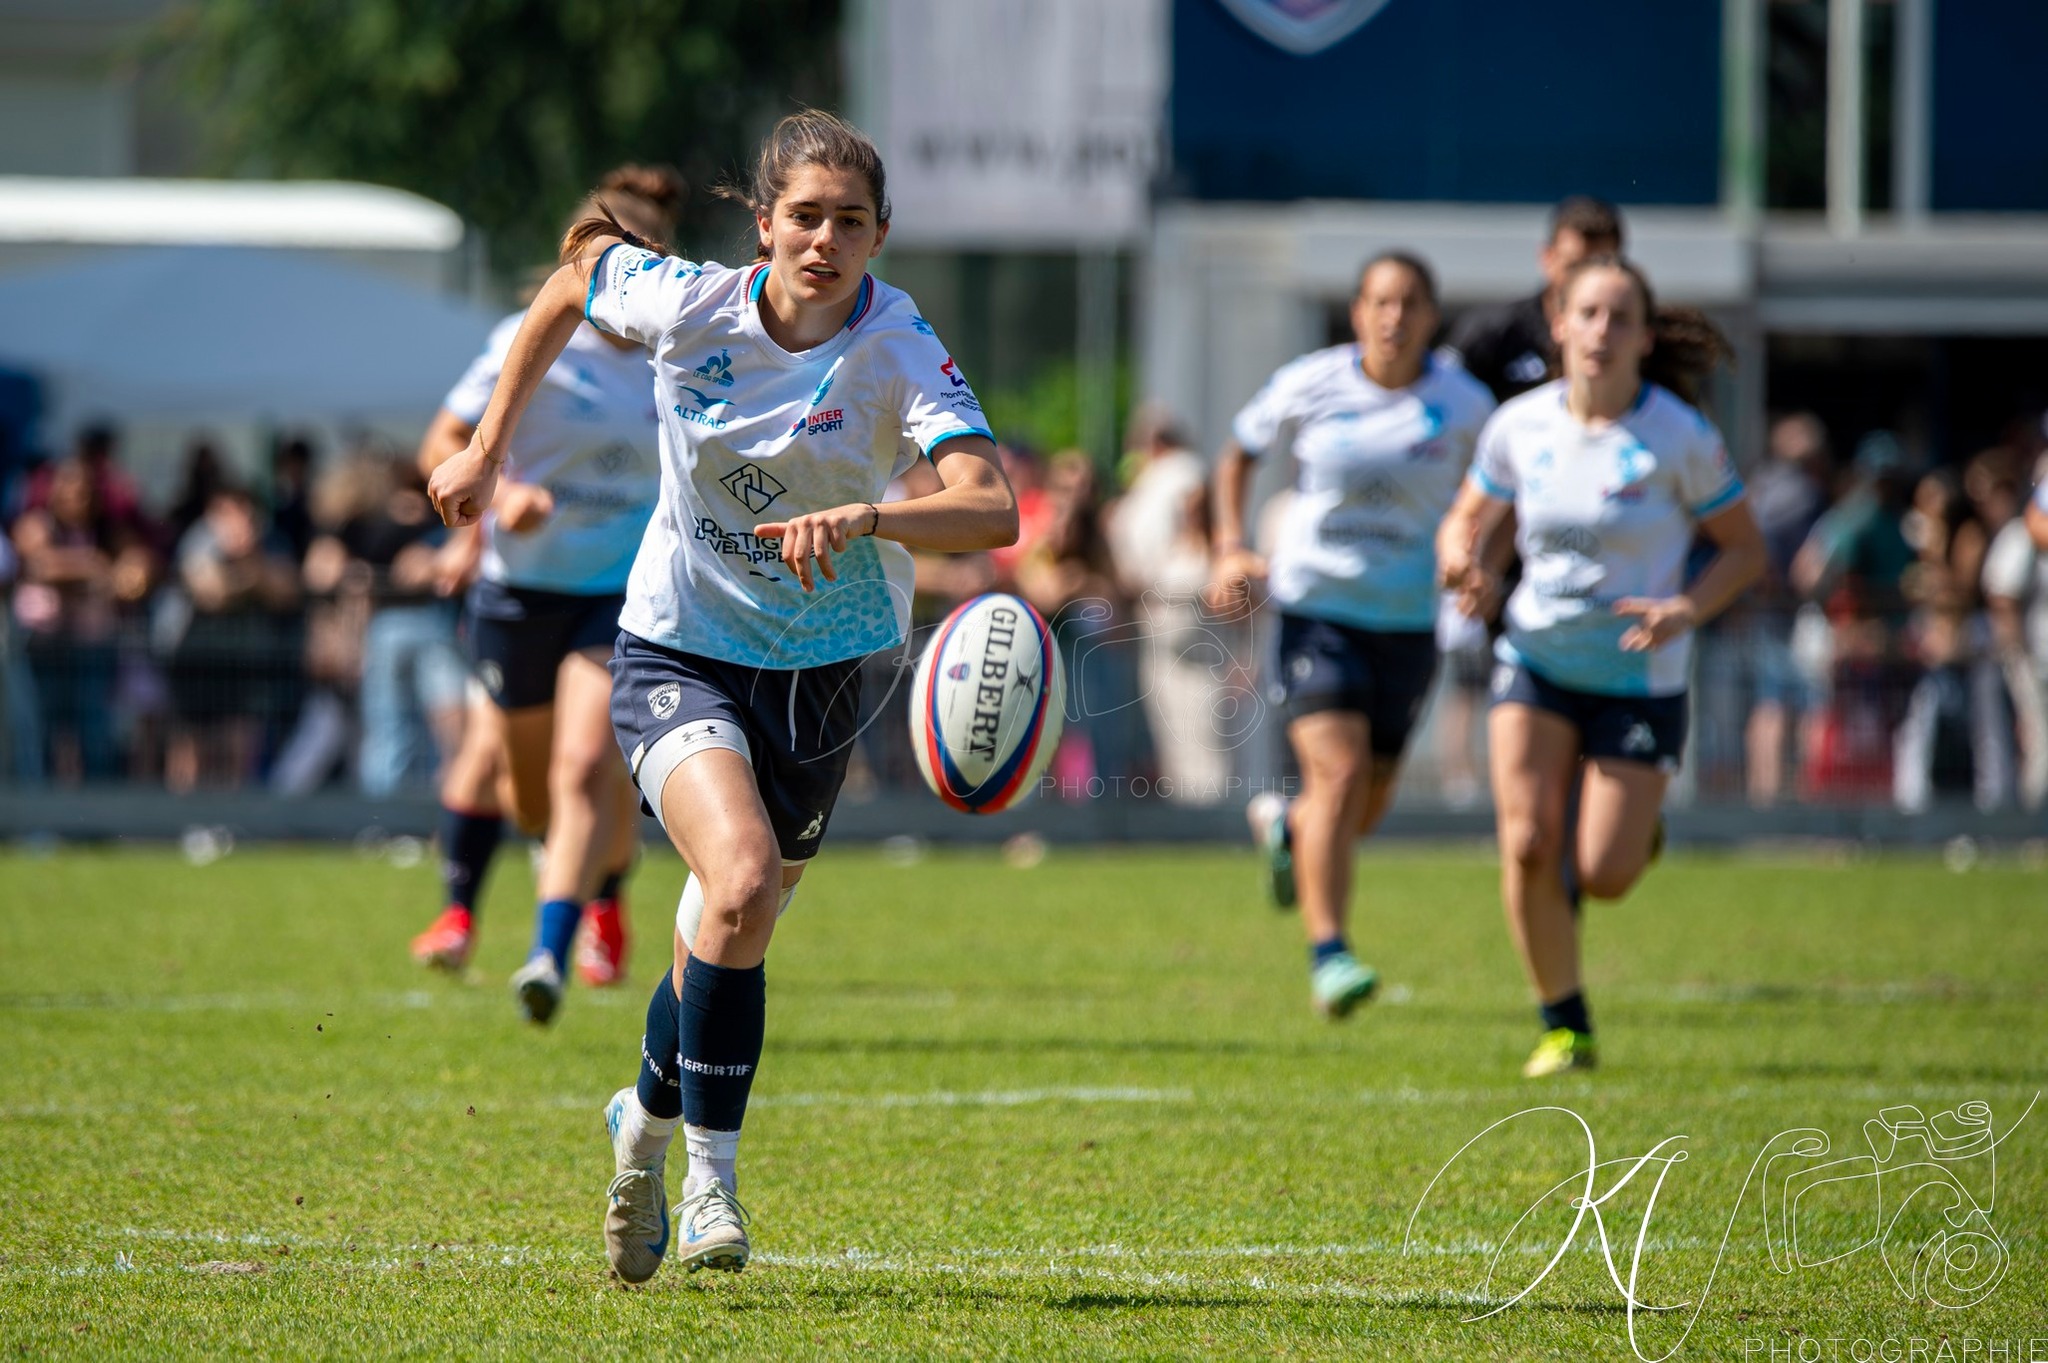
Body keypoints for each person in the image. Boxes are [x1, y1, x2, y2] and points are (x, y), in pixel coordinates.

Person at [426, 111, 1015, 1280]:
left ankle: (639, 1130)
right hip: (677, 647)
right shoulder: (688, 301)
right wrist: (488, 448)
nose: (824, 240)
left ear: (879, 236)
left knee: (727, 927)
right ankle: (711, 1183)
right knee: (737, 879)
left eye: (850, 221)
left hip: (825, 669)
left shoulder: (898, 342)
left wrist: (872, 516)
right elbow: (574, 274)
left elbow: (990, 504)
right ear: (763, 224)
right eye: (804, 216)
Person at [1436, 256, 1764, 1078]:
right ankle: (1564, 1024)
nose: (1601, 331)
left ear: (1646, 338)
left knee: (1606, 873)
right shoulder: (1519, 425)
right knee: (1526, 841)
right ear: (1559, 325)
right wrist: (1462, 564)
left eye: (1620, 317)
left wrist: (1685, 607)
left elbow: (1744, 550)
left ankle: (1634, 828)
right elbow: (1465, 520)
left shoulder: (1679, 436)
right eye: (1586, 314)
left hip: (1636, 676)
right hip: (1536, 657)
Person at [409, 165, 682, 1001]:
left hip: (621, 594)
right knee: (529, 798)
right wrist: (499, 496)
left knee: (585, 762)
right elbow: (441, 445)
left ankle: (546, 955)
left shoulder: (677, 352)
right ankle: (599, 886)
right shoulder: (525, 341)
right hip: (520, 593)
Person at [1210, 252, 1496, 1018]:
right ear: (1358, 312)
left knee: (1361, 808)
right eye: (1379, 301)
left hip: (1408, 621)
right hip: (1317, 609)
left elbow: (1501, 490)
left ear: (1432, 316)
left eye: (1409, 303)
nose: (1393, 317)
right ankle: (1329, 955)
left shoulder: (1465, 403)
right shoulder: (1312, 381)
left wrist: (1481, 562)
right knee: (1338, 776)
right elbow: (1237, 454)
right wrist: (1230, 546)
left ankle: (1287, 825)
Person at [1445, 196, 1625, 404]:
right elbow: (1442, 393)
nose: (1585, 282)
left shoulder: (1634, 338)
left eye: (1597, 268)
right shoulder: (1491, 331)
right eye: (1574, 267)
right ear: (1547, 257)